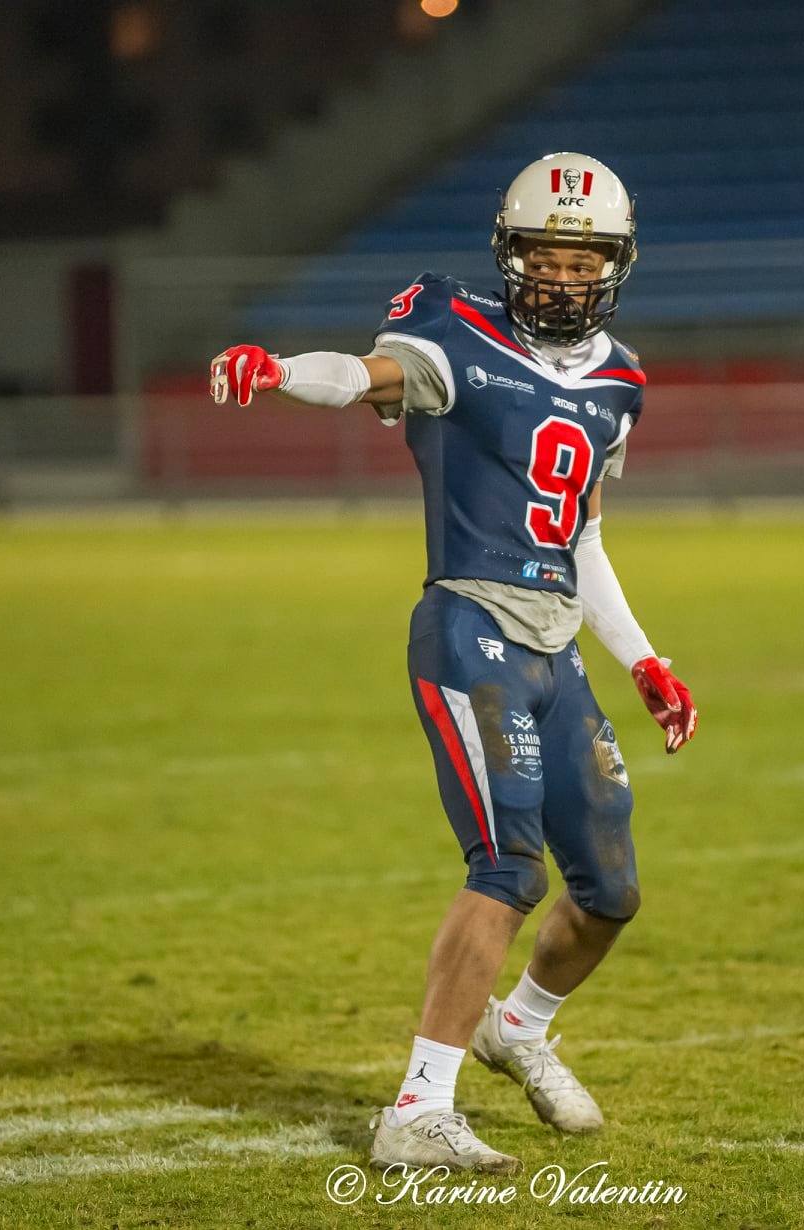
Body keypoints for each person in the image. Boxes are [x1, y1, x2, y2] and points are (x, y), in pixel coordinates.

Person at [209, 152, 698, 1174]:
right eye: (545, 257)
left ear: (615, 265)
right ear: (510, 255)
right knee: (508, 865)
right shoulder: (453, 332)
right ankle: (417, 1107)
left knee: (610, 889)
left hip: (556, 645)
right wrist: (282, 370)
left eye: (584, 260)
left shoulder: (621, 380)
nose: (562, 278)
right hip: (470, 624)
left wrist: (646, 662)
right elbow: (364, 376)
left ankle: (518, 1027)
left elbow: (585, 541)